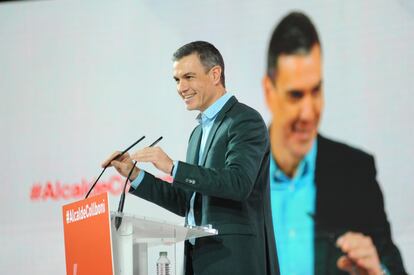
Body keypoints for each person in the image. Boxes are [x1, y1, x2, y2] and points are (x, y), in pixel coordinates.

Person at [103, 41, 280, 275]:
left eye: (188, 77)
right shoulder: (197, 133)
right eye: (177, 80)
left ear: (215, 74)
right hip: (199, 259)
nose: (181, 87)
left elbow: (238, 183)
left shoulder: (245, 120)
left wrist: (173, 167)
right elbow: (187, 202)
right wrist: (135, 175)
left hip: (235, 259)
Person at [262, 12, 407, 275]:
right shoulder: (232, 173)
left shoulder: (356, 173)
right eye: (296, 95)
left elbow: (393, 268)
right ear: (269, 91)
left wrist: (379, 272)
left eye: (316, 91)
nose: (308, 113)